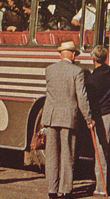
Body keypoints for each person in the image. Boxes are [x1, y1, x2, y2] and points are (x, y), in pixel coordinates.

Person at [42, 41, 94, 199]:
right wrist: (88, 118)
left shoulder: (49, 70)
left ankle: (52, 190)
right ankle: (65, 190)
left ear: (60, 54)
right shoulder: (77, 71)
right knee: (67, 154)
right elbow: (81, 97)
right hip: (68, 117)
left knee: (51, 155)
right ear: (72, 54)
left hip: (50, 116)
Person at [85, 46, 110, 196]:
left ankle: (101, 188)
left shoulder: (92, 78)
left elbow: (91, 101)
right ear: (105, 58)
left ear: (93, 58)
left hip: (104, 115)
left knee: (101, 151)